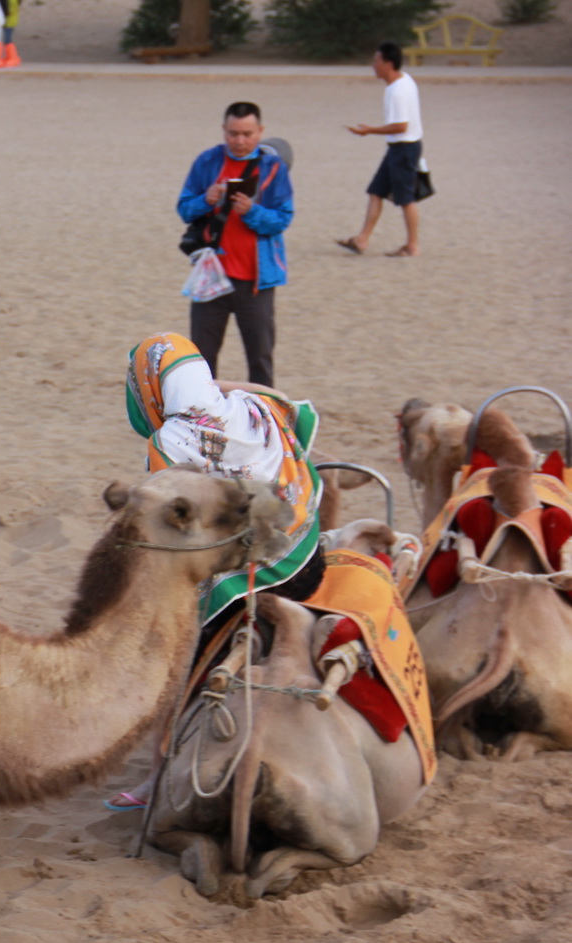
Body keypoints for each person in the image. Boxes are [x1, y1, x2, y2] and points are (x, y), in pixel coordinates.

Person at [106, 332, 323, 810]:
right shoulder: (251, 405)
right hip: (305, 555)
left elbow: (174, 519)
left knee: (167, 650)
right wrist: (213, 389)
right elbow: (294, 410)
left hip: (250, 580)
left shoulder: (171, 439)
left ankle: (156, 775)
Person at [176, 101, 293, 389]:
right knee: (201, 358)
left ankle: (266, 417)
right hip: (211, 275)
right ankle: (201, 416)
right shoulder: (207, 162)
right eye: (233, 133)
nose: (240, 141)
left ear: (260, 131)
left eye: (247, 133)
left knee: (260, 356)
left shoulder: (273, 168)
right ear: (223, 130)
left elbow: (282, 218)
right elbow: (184, 209)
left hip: (255, 280)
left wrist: (251, 211)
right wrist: (206, 199)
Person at [337, 41, 423, 258]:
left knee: (406, 199)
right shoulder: (404, 80)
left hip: (404, 149)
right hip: (399, 148)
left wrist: (369, 130)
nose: (373, 65)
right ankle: (362, 239)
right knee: (376, 191)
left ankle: (412, 246)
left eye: (376, 61)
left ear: (388, 64)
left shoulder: (397, 91)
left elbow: (401, 126)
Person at [0, 0, 22, 68]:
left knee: (8, 40)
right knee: (6, 40)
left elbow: (10, 10)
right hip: (7, 22)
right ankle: (9, 56)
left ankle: (13, 57)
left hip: (10, 22)